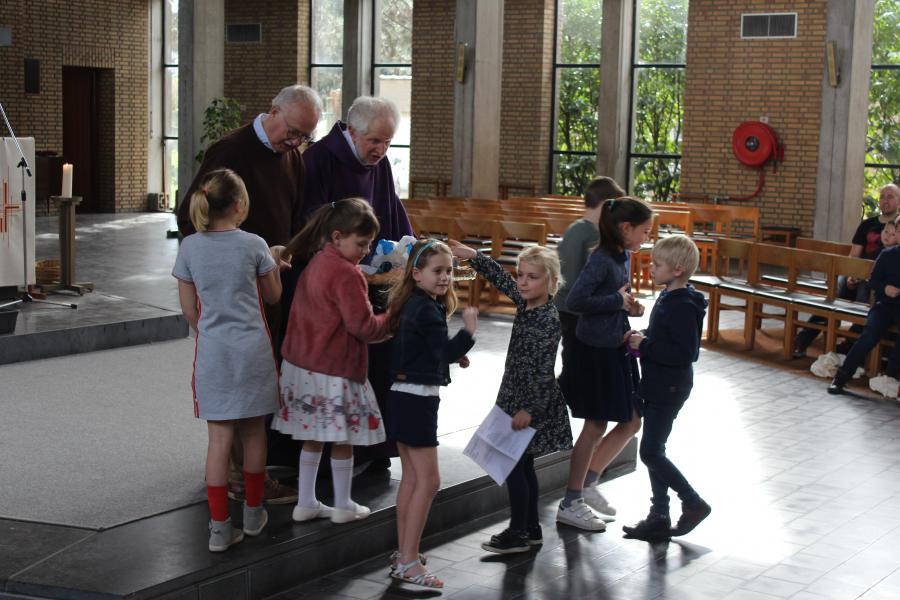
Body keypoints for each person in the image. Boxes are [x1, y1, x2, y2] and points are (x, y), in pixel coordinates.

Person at [178, 84, 323, 504]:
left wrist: (288, 254)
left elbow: (292, 216)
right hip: (236, 289)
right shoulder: (231, 151)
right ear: (272, 111)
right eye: (293, 132)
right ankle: (237, 477)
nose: (297, 143)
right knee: (236, 396)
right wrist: (227, 267)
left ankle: (238, 472)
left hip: (269, 276)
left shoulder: (291, 156)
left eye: (305, 137)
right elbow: (194, 214)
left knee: (254, 384)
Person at [171, 168, 290, 552]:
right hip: (253, 352)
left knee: (218, 440)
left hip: (215, 353)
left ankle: (219, 528)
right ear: (240, 205)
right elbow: (273, 297)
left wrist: (211, 330)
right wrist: (274, 264)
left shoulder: (189, 247)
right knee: (254, 432)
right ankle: (254, 513)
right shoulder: (255, 244)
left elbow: (189, 309)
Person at [301, 96, 415, 471]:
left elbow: (391, 212)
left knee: (378, 364)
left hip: (375, 282)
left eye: (387, 142)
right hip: (333, 286)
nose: (381, 151)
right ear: (352, 131)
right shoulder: (319, 159)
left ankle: (373, 450)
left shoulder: (378, 164)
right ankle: (329, 456)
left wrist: (411, 255)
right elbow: (311, 221)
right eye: (375, 142)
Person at [272, 198, 391, 524]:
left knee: (313, 437)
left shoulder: (316, 263)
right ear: (337, 236)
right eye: (361, 243)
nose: (365, 251)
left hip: (302, 367)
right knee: (343, 439)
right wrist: (392, 320)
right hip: (334, 370)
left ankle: (307, 502)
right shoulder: (347, 274)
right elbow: (363, 327)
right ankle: (342, 505)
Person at [450, 241, 573, 554]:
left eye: (532, 277)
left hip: (529, 404)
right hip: (515, 398)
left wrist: (529, 410)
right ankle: (530, 528)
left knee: (514, 466)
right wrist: (475, 256)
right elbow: (501, 279)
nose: (522, 282)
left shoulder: (547, 320)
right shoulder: (526, 303)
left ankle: (518, 531)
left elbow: (545, 372)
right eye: (522, 275)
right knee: (523, 465)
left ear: (550, 283)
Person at [385, 240, 478, 588]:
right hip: (417, 401)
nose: (445, 277)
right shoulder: (427, 309)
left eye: (449, 270)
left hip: (402, 396)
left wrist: (452, 356)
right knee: (429, 481)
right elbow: (444, 349)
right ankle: (408, 562)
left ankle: (404, 552)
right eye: (437, 271)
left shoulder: (415, 303)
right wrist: (468, 334)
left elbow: (426, 351)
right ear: (417, 273)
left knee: (411, 479)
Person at [559, 197, 653, 530]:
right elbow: (576, 300)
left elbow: (615, 298)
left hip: (615, 343)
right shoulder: (600, 258)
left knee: (631, 421)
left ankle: (588, 481)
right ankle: (571, 500)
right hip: (595, 350)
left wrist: (629, 308)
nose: (646, 238)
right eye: (644, 232)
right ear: (625, 228)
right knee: (596, 425)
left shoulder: (623, 255)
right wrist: (618, 301)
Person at [621, 235, 711, 540]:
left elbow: (686, 353)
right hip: (657, 383)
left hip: (670, 386)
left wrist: (646, 344)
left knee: (650, 452)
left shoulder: (684, 304)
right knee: (654, 449)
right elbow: (664, 336)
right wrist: (642, 336)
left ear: (678, 270)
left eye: (656, 264)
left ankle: (692, 501)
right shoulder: (669, 296)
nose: (650, 269)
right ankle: (659, 515)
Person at [555, 176, 625, 517]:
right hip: (576, 319)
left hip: (580, 318)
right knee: (572, 379)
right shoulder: (584, 235)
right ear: (604, 205)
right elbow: (575, 286)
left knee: (573, 381)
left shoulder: (584, 232)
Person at [794, 183, 900, 357]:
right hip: (857, 273)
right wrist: (852, 274)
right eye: (882, 197)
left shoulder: (898, 228)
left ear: (899, 200)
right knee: (837, 290)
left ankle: (850, 344)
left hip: (879, 281)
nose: (885, 201)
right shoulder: (867, 225)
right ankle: (804, 339)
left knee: (865, 294)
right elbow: (854, 255)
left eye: (890, 197)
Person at [829, 215, 900, 395]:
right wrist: (885, 288)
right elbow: (874, 281)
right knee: (869, 334)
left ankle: (891, 377)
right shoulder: (888, 254)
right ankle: (841, 377)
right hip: (884, 304)